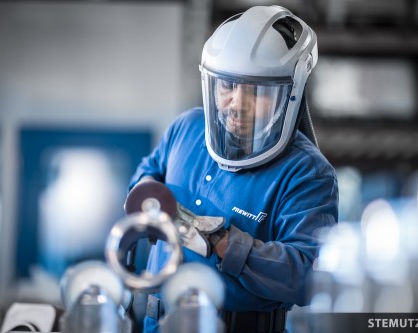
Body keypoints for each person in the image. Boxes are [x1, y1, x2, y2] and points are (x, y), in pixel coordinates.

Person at [127, 5, 338, 333]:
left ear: (289, 95)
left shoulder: (307, 173)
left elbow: (308, 276)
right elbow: (147, 172)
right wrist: (147, 195)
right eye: (227, 86)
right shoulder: (186, 128)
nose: (238, 102)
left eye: (256, 90)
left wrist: (222, 242)